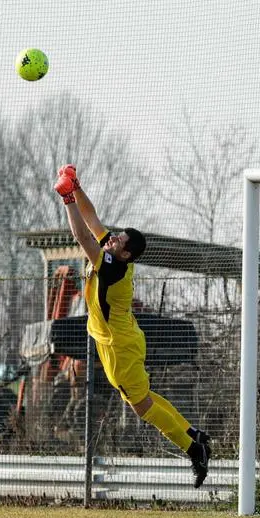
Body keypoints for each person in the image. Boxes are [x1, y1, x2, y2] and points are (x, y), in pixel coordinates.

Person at [53, 164, 212, 487]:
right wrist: (79, 188)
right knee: (146, 397)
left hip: (118, 348)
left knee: (142, 407)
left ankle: (193, 448)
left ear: (126, 255)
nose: (111, 240)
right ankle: (195, 435)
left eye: (117, 241)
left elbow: (81, 234)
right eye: (115, 238)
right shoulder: (114, 254)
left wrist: (68, 198)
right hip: (121, 339)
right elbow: (93, 220)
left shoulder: (113, 267)